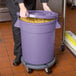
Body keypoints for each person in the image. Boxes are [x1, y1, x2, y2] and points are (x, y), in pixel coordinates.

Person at [6, 0, 51, 66]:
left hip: (29, 2)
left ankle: (30, 52)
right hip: (15, 4)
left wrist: (44, 4)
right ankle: (18, 54)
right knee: (17, 28)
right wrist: (21, 6)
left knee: (29, 27)